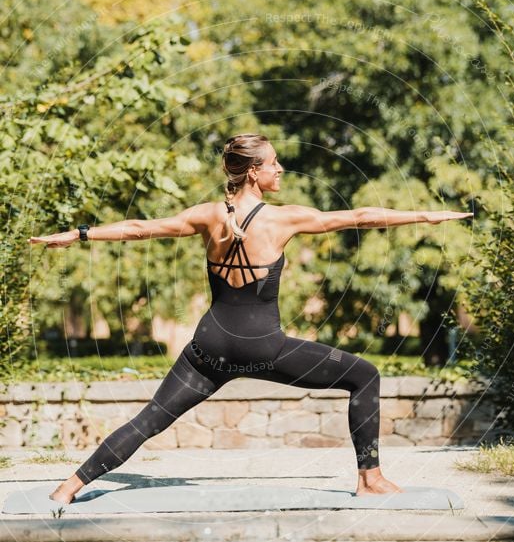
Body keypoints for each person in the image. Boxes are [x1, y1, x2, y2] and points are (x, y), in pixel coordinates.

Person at [28, 133, 473, 504]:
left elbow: (140, 228)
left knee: (150, 420)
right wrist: (425, 216)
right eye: (274, 164)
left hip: (209, 348)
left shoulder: (206, 216)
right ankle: (370, 478)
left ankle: (70, 487)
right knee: (364, 375)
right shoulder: (283, 220)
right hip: (264, 349)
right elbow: (360, 216)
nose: (280, 170)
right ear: (254, 172)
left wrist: (79, 233)